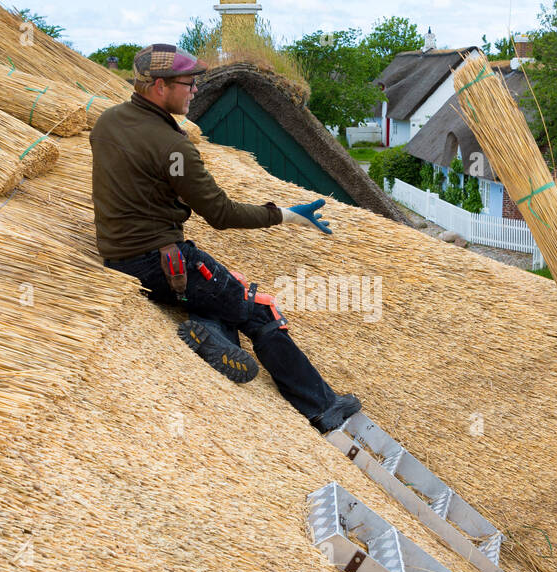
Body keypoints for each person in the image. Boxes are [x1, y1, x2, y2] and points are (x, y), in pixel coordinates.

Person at [91, 43, 361, 434]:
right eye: (189, 83)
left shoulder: (108, 123)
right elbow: (220, 213)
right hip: (164, 263)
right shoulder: (172, 146)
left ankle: (211, 330)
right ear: (160, 87)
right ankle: (323, 407)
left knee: (219, 291)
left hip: (120, 256)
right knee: (259, 308)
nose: (196, 90)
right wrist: (285, 215)